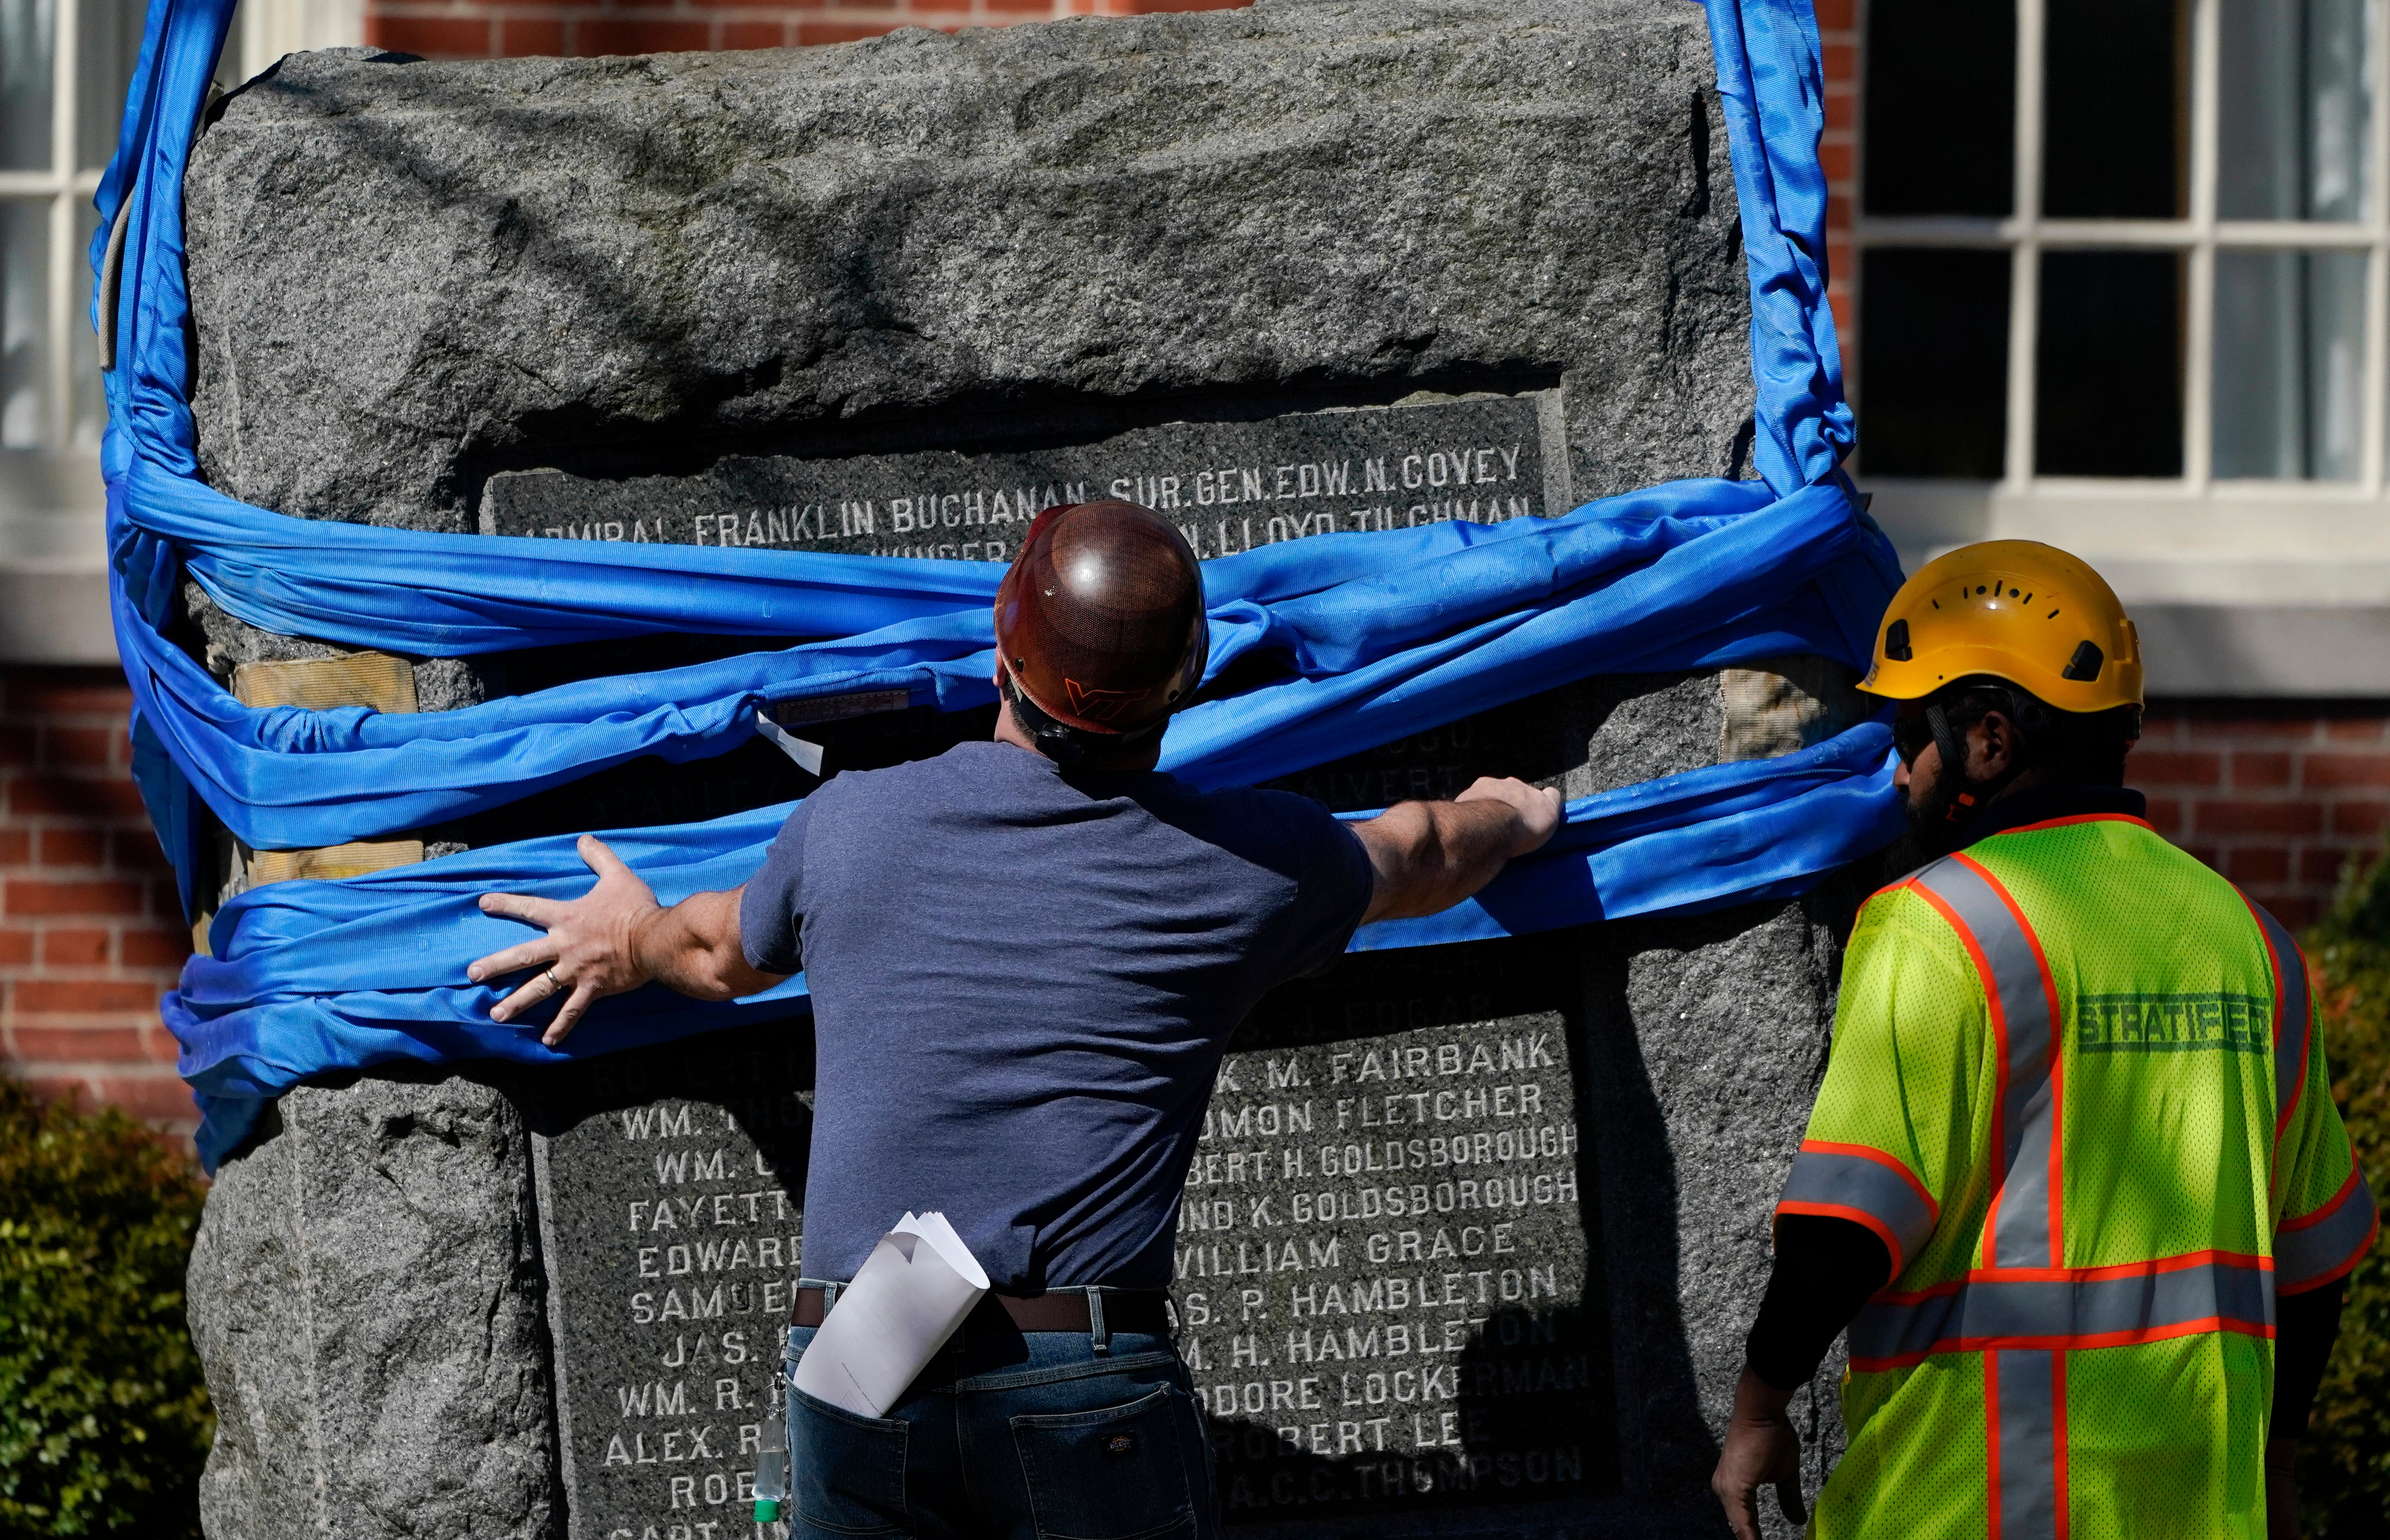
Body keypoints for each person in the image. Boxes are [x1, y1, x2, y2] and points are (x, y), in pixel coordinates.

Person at [466, 500, 1562, 1540]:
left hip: (863, 1353)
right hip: (1079, 1370)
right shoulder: (1249, 867)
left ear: (1002, 649)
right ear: (1187, 679)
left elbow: (712, 953)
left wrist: (625, 938)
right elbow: (1419, 850)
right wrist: (1508, 818)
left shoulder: (850, 823)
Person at [1711, 540, 2377, 1540]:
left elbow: (1844, 1232)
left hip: (1970, 1507)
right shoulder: (2253, 942)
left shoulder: (1939, 926)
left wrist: (1761, 1406)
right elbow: (2317, 1259)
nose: (1900, 771)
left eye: (1912, 732)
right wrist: (2278, 1475)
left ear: (1989, 740)